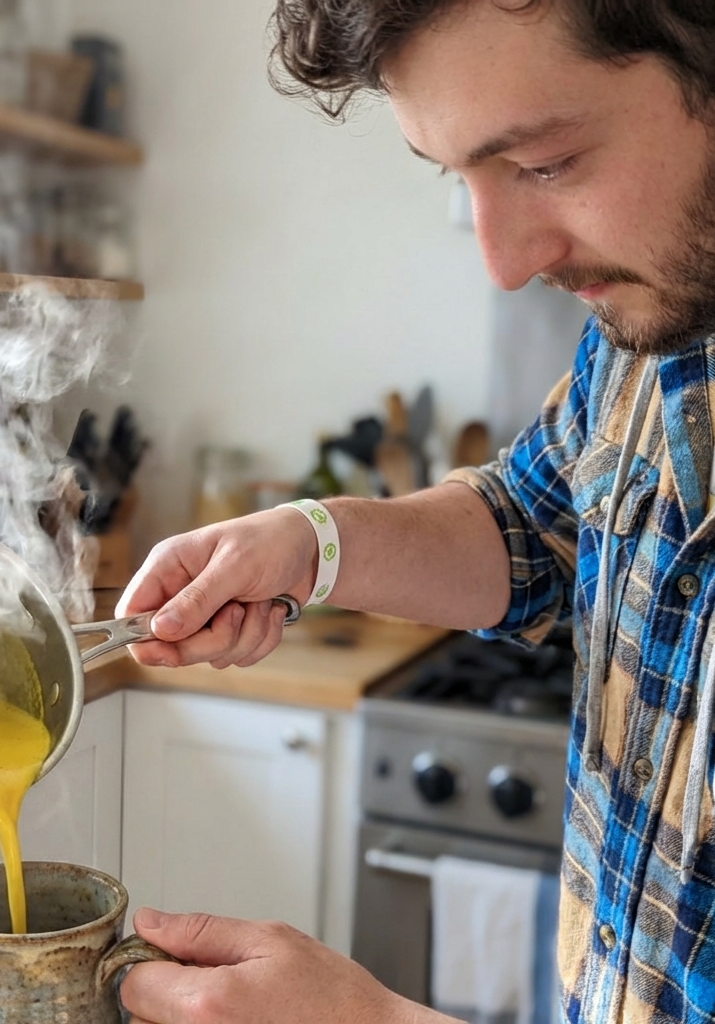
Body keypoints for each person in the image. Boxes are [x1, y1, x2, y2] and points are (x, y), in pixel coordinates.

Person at [114, 0, 715, 1022]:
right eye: (456, 178)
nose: (504, 261)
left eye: (544, 162)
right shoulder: (646, 327)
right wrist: (308, 543)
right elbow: (532, 523)